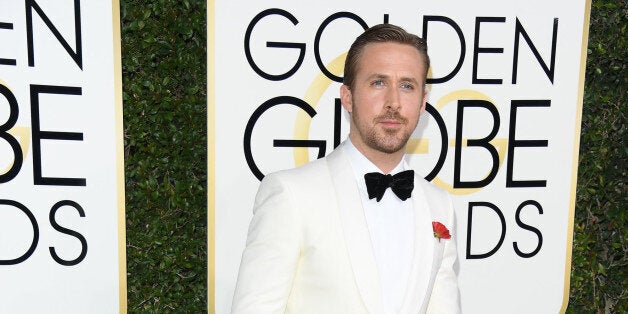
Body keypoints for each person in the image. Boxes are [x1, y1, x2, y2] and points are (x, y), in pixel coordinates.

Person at [232, 23, 460, 314]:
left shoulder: (438, 205)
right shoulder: (292, 195)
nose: (393, 102)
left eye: (407, 85)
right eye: (378, 82)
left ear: (422, 102)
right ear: (347, 97)